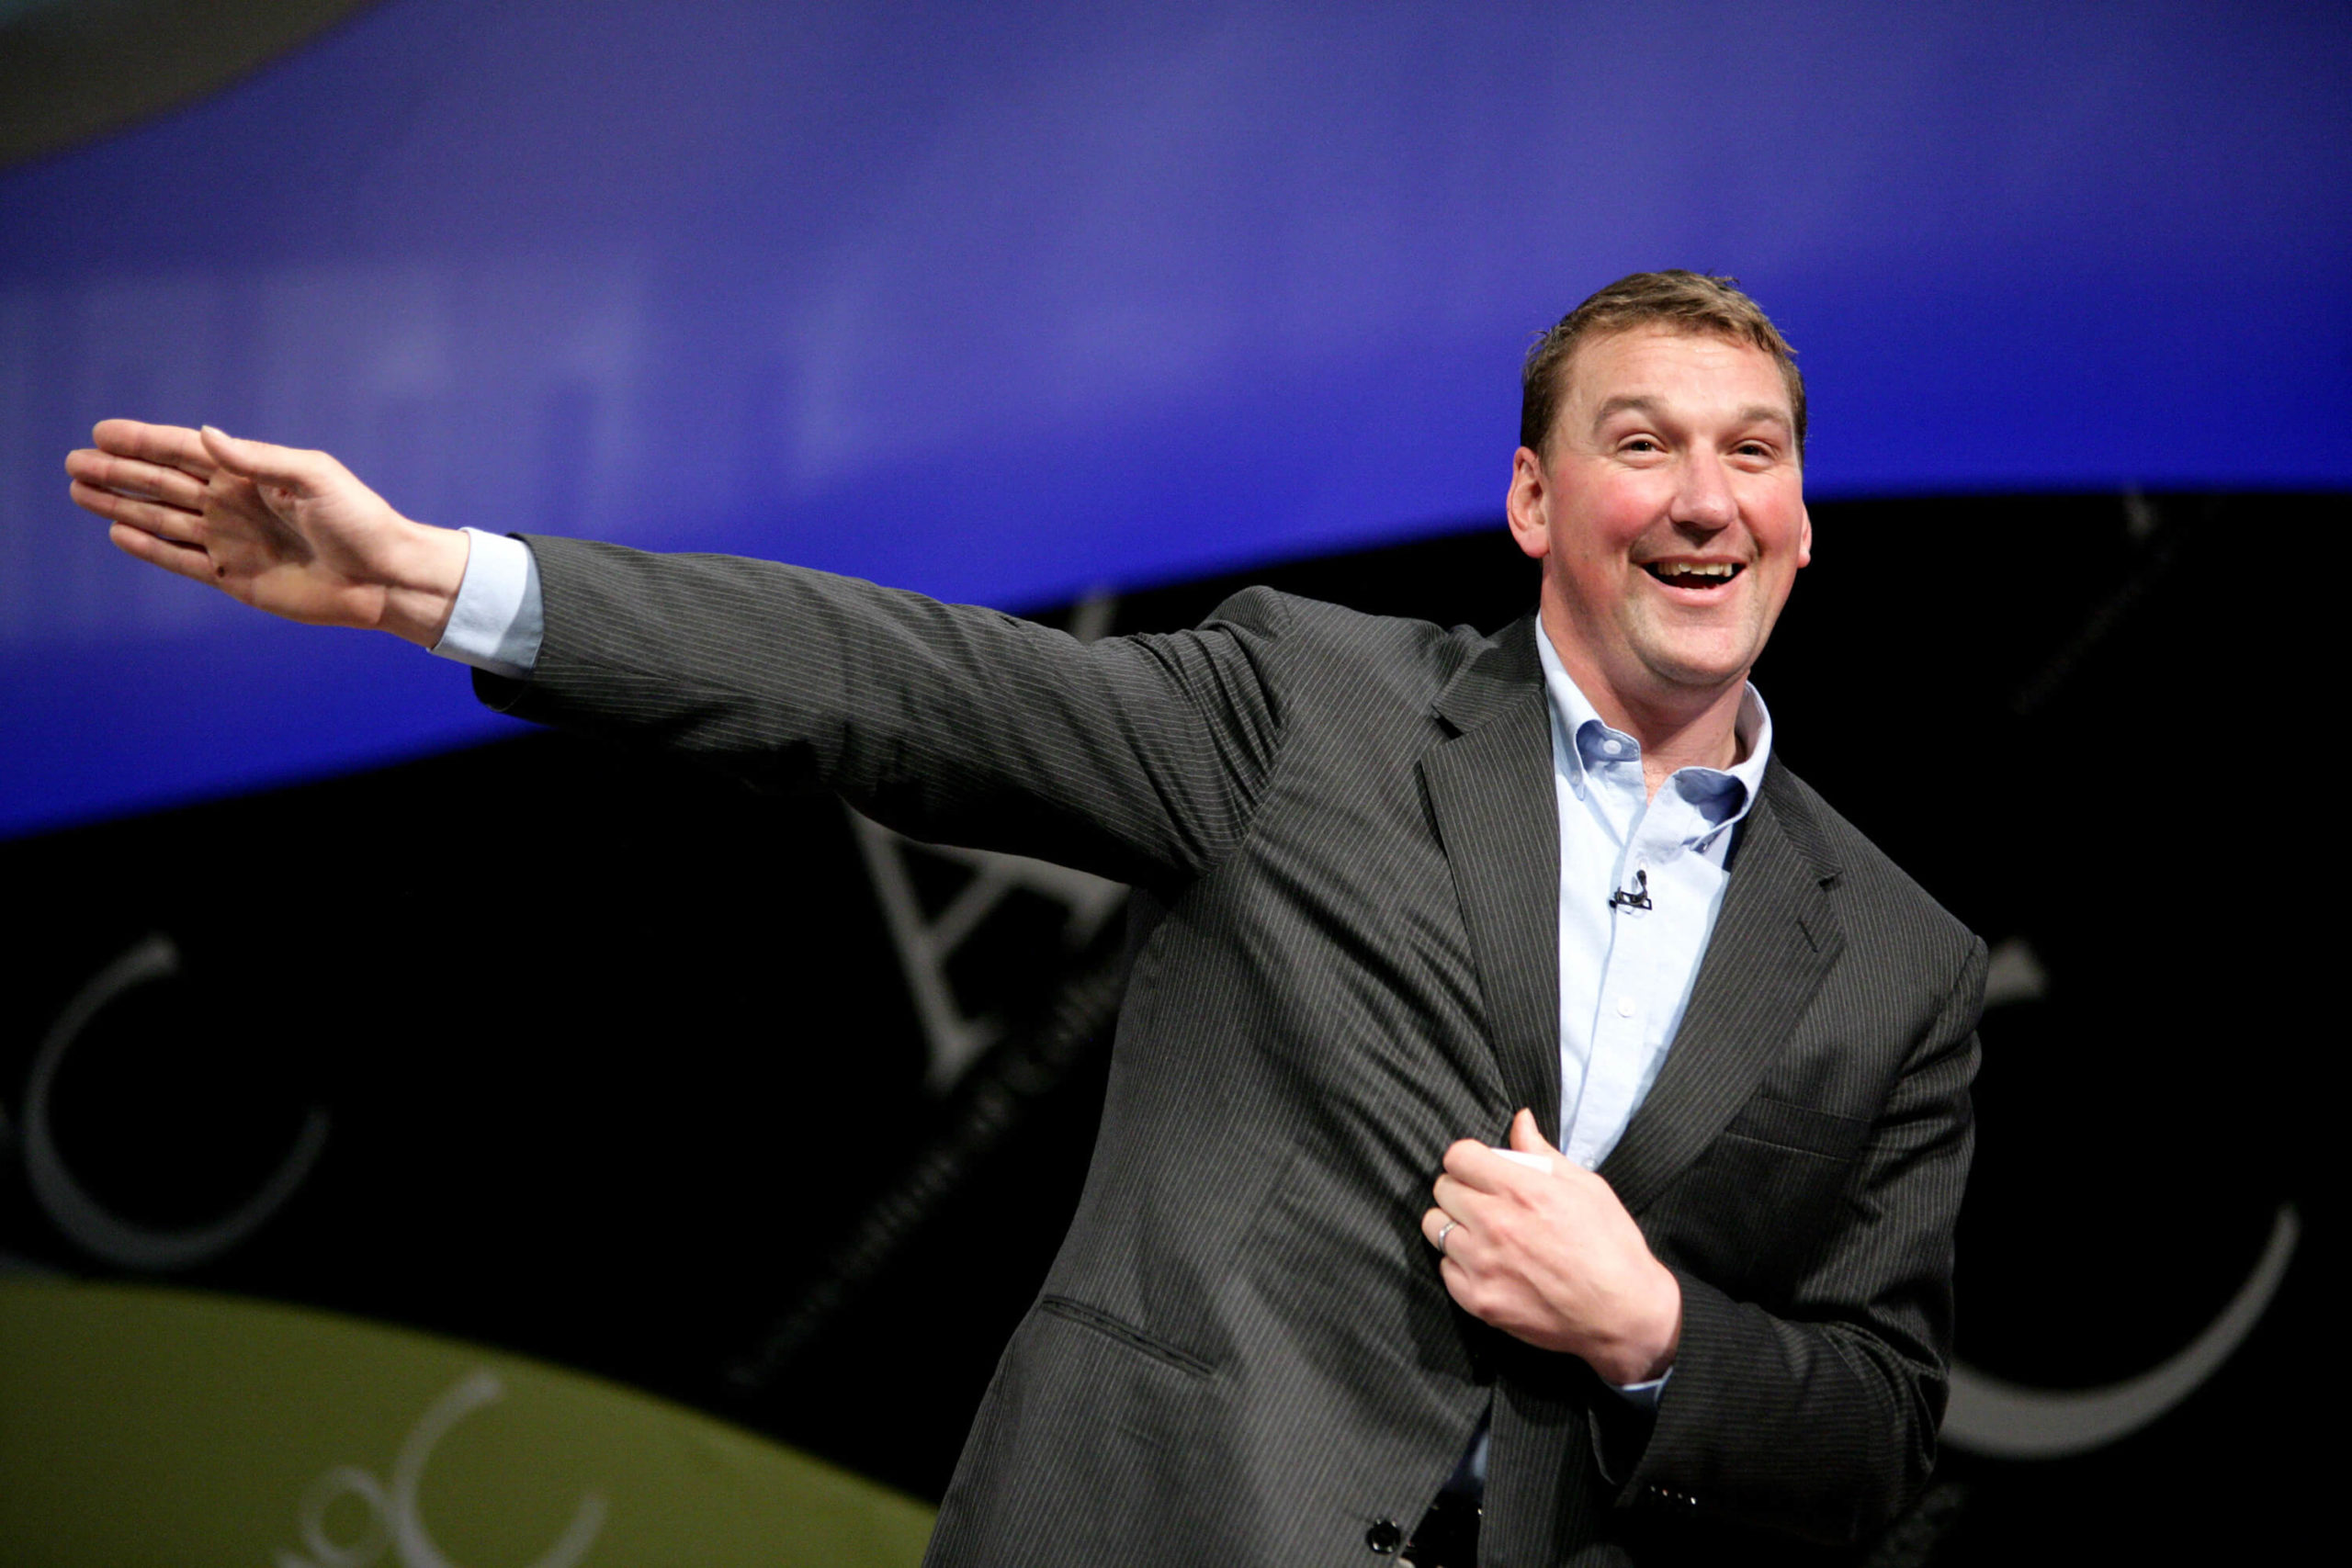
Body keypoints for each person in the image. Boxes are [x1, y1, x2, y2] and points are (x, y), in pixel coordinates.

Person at [67, 272, 1982, 1567]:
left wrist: (1651, 1326)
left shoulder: (1897, 959)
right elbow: (894, 684)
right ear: (1532, 500)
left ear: (1803, 516)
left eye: (1752, 451)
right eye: (1642, 443)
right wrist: (439, 582)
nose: (1705, 498)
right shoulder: (1307, 711)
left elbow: (1879, 1424)